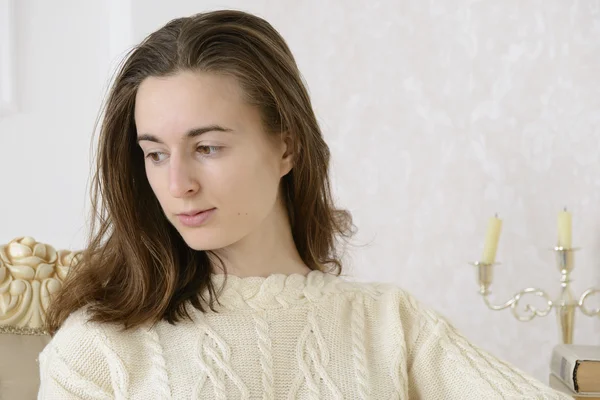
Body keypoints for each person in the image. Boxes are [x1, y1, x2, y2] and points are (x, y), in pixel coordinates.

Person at [38, 9, 570, 399]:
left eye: (207, 148)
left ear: (286, 146)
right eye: (155, 154)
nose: (178, 184)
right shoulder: (98, 345)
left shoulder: (388, 323)